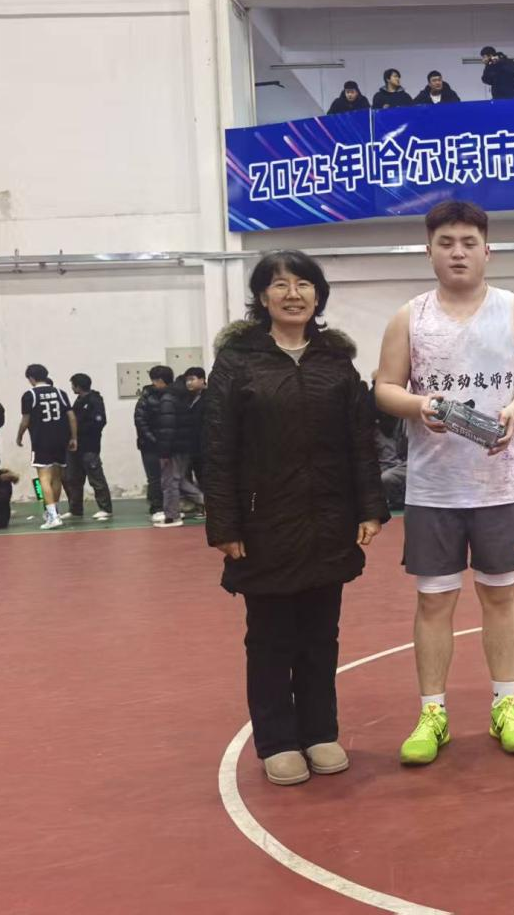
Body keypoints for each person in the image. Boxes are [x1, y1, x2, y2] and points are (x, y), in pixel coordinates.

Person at [203, 250, 387, 787]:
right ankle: (278, 741)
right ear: (262, 297)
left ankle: (320, 732)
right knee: (269, 637)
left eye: (304, 284)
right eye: (280, 284)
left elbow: (360, 442)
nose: (293, 294)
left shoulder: (335, 360)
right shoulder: (237, 362)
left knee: (321, 634)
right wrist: (225, 524)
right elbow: (216, 447)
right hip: (263, 523)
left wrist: (369, 507)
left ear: (318, 295)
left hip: (328, 518)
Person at [375, 200, 514, 766]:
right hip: (434, 488)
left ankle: (506, 706)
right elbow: (385, 388)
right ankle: (433, 714)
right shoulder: (409, 317)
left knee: (500, 595)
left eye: (468, 242)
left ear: (487, 250)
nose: (457, 252)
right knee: (434, 602)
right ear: (428, 250)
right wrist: (418, 404)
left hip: (501, 483)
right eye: (446, 242)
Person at [15, 364, 77, 530]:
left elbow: (26, 420)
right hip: (60, 440)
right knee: (57, 478)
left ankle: (53, 516)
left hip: (41, 441)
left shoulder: (30, 395)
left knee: (44, 478)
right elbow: (71, 416)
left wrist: (19, 435)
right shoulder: (60, 393)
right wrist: (73, 437)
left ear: (31, 378)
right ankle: (53, 512)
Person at [153, 369, 204, 527]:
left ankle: (172, 517)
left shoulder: (168, 399)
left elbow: (167, 427)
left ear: (160, 381)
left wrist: (164, 451)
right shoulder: (183, 397)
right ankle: (209, 502)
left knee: (170, 483)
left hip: (173, 447)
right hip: (184, 446)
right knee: (179, 480)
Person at [64, 373, 113, 520]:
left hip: (89, 446)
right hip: (74, 447)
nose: (72, 388)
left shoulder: (94, 400)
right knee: (73, 479)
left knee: (96, 478)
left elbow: (99, 421)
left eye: (73, 385)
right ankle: (75, 509)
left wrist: (78, 431)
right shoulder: (79, 400)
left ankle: (105, 508)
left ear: (78, 386)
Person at [134, 369, 168, 521]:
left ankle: (169, 506)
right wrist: (154, 439)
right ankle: (157, 507)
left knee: (170, 477)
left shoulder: (172, 396)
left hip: (168, 443)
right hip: (149, 445)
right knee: (154, 478)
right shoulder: (146, 398)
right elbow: (140, 421)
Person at [375, 410, 408, 511]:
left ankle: (400, 500)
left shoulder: (405, 421)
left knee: (387, 477)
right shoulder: (373, 428)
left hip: (408, 466)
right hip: (385, 468)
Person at [183, 366, 207, 487]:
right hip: (193, 447)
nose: (189, 383)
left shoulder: (210, 397)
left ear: (202, 380)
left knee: (206, 480)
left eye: (192, 379)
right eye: (187, 380)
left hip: (205, 447)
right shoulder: (189, 398)